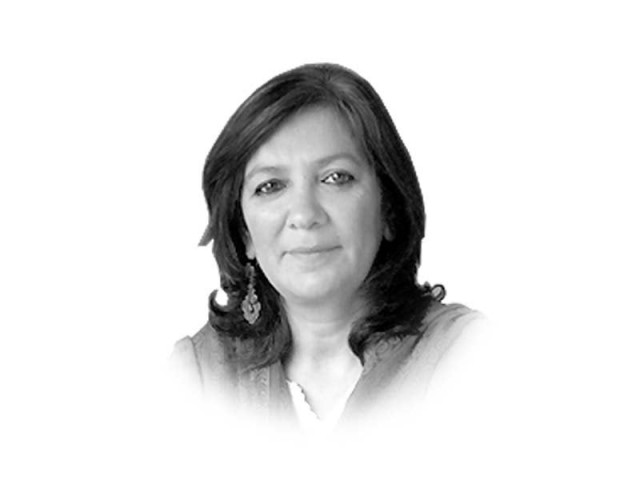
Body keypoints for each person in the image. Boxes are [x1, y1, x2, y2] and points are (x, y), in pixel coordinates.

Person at [172, 63, 482, 435]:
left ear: (388, 209)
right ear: (245, 233)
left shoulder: (470, 357)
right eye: (270, 186)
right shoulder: (194, 377)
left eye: (335, 178)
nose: (305, 215)